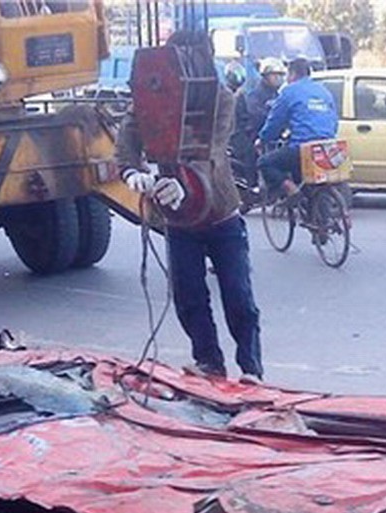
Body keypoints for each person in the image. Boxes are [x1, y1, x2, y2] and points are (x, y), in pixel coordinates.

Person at [115, 31, 263, 383]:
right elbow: (128, 134)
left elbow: (212, 149)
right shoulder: (154, 97)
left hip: (221, 213)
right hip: (179, 221)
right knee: (188, 294)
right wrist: (132, 170)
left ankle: (251, 368)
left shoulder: (221, 98)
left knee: (238, 295)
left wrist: (186, 182)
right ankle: (208, 360)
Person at [256, 57, 339, 198]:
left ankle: (291, 188)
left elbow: (275, 122)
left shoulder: (289, 92)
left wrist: (262, 139)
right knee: (302, 173)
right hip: (326, 147)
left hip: (302, 148)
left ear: (293, 74)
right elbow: (334, 122)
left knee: (265, 163)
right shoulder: (324, 91)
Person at [231, 58, 285, 187]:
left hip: (267, 133)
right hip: (247, 132)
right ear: (265, 76)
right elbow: (255, 115)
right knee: (252, 153)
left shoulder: (277, 95)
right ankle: (253, 186)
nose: (278, 78)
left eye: (280, 75)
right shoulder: (255, 93)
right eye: (274, 75)